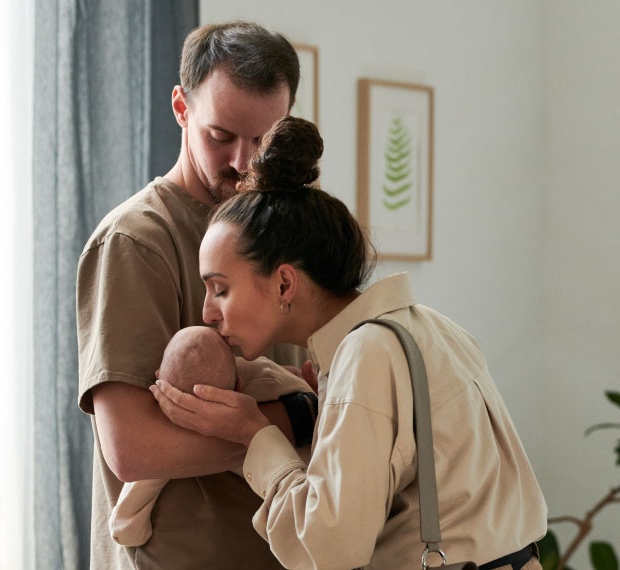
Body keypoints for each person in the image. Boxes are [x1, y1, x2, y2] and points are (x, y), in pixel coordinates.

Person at [151, 117, 548, 570]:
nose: (208, 312)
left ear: (284, 284)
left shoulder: (367, 355)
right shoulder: (430, 327)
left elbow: (329, 549)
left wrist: (254, 436)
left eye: (220, 288)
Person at [76, 20, 314, 570]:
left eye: (263, 139)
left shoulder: (291, 234)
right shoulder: (135, 242)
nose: (243, 162)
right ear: (182, 108)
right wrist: (295, 421)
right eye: (221, 136)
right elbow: (132, 447)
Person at [109, 325, 308, 546]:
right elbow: (302, 393)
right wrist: (301, 379)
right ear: (239, 385)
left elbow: (127, 519)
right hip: (299, 466)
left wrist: (128, 530)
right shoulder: (259, 373)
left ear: (159, 379)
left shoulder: (170, 448)